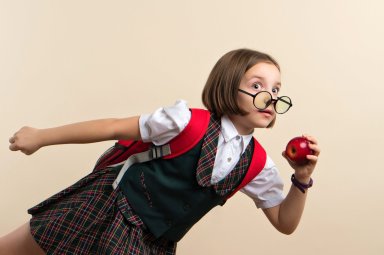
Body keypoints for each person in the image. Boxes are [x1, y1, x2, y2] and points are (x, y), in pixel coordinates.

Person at [1, 48, 320, 255]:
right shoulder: (185, 121)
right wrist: (41, 136)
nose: (270, 96)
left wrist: (301, 179)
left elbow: (284, 221)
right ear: (227, 85)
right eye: (257, 86)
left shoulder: (257, 165)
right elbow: (112, 126)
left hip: (150, 245)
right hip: (106, 206)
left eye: (276, 89)